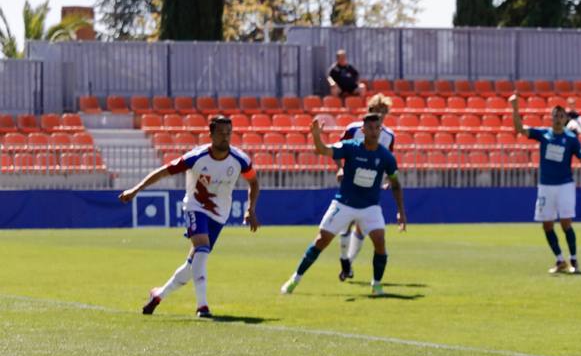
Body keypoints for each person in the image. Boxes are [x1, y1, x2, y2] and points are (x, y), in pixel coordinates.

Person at [121, 115, 260, 318]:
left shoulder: (240, 160)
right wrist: (136, 189)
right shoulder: (196, 157)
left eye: (228, 133)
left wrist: (251, 209)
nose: (225, 137)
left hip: (220, 214)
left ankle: (159, 295)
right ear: (210, 134)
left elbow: (254, 183)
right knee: (201, 248)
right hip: (195, 207)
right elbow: (164, 172)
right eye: (220, 133)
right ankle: (202, 306)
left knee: (193, 263)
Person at [281, 114, 406, 296]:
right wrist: (316, 135)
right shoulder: (350, 148)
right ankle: (295, 279)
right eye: (370, 128)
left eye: (377, 128)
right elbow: (323, 150)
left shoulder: (386, 157)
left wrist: (401, 212)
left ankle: (376, 285)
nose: (373, 131)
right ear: (362, 131)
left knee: (380, 241)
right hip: (344, 203)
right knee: (321, 240)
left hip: (370, 207)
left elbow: (395, 183)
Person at [509, 94, 581, 273]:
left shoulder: (571, 138)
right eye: (555, 115)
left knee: (566, 223)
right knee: (546, 225)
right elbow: (520, 129)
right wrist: (515, 108)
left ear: (565, 119)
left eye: (561, 116)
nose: (558, 118)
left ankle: (573, 260)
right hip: (545, 186)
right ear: (552, 118)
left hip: (565, 185)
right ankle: (560, 260)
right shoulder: (543, 134)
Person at [337, 95, 396, 282]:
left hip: (372, 186)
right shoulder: (354, 130)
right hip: (350, 182)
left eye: (384, 113)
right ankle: (344, 258)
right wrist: (340, 168)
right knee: (346, 224)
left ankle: (348, 265)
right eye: (378, 113)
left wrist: (387, 178)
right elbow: (337, 149)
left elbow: (387, 159)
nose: (381, 117)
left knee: (363, 228)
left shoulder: (388, 136)